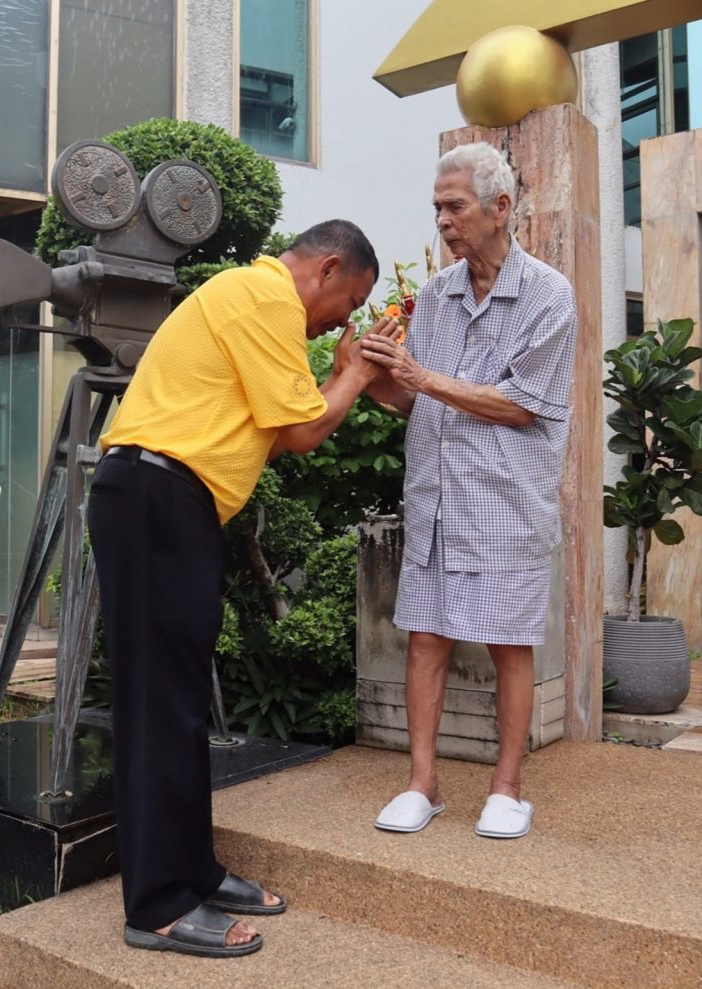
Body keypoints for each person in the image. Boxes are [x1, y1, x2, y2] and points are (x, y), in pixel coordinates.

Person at [87, 219, 399, 958]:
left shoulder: (252, 295)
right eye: (347, 302)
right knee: (160, 702)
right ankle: (158, 905)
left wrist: (348, 370)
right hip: (157, 497)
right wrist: (352, 370)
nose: (342, 322)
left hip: (169, 502)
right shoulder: (264, 298)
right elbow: (299, 430)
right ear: (326, 270)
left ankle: (191, 869)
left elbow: (283, 416)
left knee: (183, 699)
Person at [360, 142, 577, 840]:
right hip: (437, 495)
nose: (444, 222)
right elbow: (418, 402)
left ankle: (507, 789)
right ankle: (422, 784)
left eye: (454, 207)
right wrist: (377, 376)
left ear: (500, 207)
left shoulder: (549, 293)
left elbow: (524, 404)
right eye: (438, 209)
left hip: (505, 497)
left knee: (511, 642)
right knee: (427, 637)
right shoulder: (436, 296)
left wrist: (420, 378)